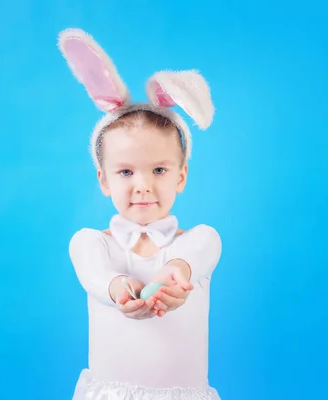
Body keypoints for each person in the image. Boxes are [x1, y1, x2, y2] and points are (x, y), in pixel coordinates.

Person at [58, 28, 223, 399]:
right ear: (103, 179)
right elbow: (97, 275)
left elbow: (191, 259)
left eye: (159, 170)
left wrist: (175, 277)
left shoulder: (201, 240)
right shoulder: (91, 243)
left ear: (181, 176)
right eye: (126, 172)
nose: (143, 185)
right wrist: (119, 288)